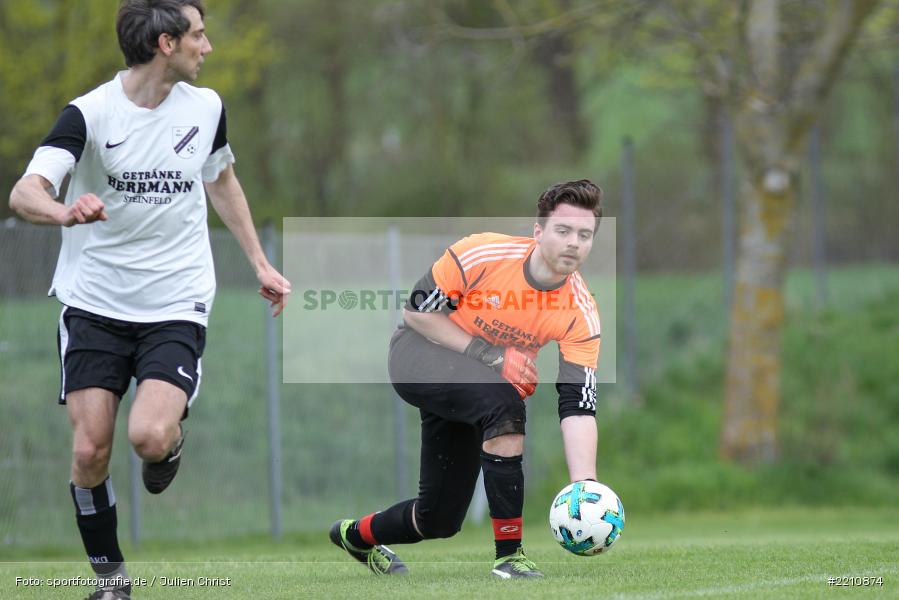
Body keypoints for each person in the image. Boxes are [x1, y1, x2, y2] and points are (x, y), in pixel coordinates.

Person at [7, 1, 290, 598]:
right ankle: (111, 582)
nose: (206, 47)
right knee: (89, 450)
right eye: (198, 36)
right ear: (166, 43)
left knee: (149, 438)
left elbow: (220, 178)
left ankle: (172, 445)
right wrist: (64, 210)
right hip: (94, 304)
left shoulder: (206, 107)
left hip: (175, 300)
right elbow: (25, 192)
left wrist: (260, 262)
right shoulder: (88, 114)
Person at [330, 180, 603, 579]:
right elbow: (416, 312)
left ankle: (356, 536)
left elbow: (578, 406)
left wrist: (586, 488)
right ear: (538, 232)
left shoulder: (581, 311)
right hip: (418, 353)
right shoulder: (484, 253)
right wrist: (492, 356)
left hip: (474, 383)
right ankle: (510, 557)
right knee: (505, 406)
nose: (573, 243)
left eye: (585, 235)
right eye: (563, 231)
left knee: (438, 519)